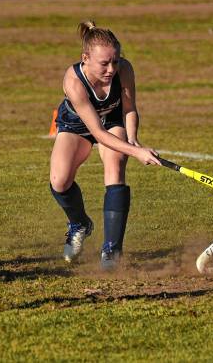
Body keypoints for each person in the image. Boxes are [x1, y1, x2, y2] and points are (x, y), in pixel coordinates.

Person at [49, 21, 161, 270]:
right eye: (104, 64)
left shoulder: (124, 70)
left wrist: (132, 140)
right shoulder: (73, 80)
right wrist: (137, 152)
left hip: (111, 120)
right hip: (77, 125)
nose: (111, 69)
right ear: (85, 58)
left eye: (116, 61)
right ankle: (79, 224)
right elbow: (97, 134)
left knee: (115, 164)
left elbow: (130, 109)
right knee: (59, 180)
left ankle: (112, 250)